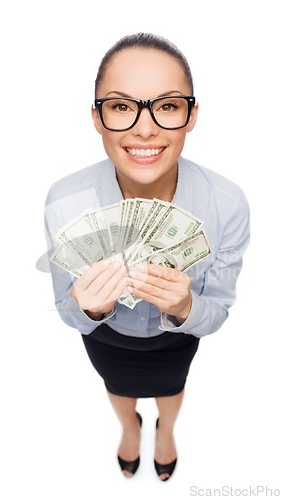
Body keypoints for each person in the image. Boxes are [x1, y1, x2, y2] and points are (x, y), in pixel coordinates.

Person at [44, 33, 250, 481]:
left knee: (173, 386)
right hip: (106, 338)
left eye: (168, 105)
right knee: (116, 386)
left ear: (191, 115)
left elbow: (217, 312)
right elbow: (66, 310)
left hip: (177, 338)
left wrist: (185, 307)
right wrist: (92, 307)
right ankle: (129, 429)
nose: (144, 127)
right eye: (121, 107)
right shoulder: (65, 200)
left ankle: (167, 431)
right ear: (97, 118)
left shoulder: (227, 202)